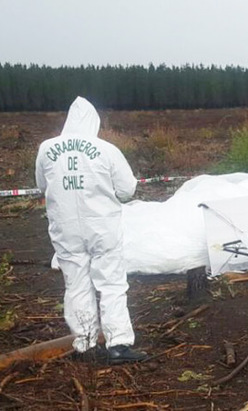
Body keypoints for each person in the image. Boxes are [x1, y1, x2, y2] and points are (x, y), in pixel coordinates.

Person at [35, 96, 146, 362]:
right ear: (93, 121)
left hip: (65, 227)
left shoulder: (46, 148)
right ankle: (118, 344)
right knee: (111, 283)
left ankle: (84, 344)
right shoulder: (106, 149)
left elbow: (42, 185)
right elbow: (127, 189)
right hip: (102, 225)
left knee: (75, 284)